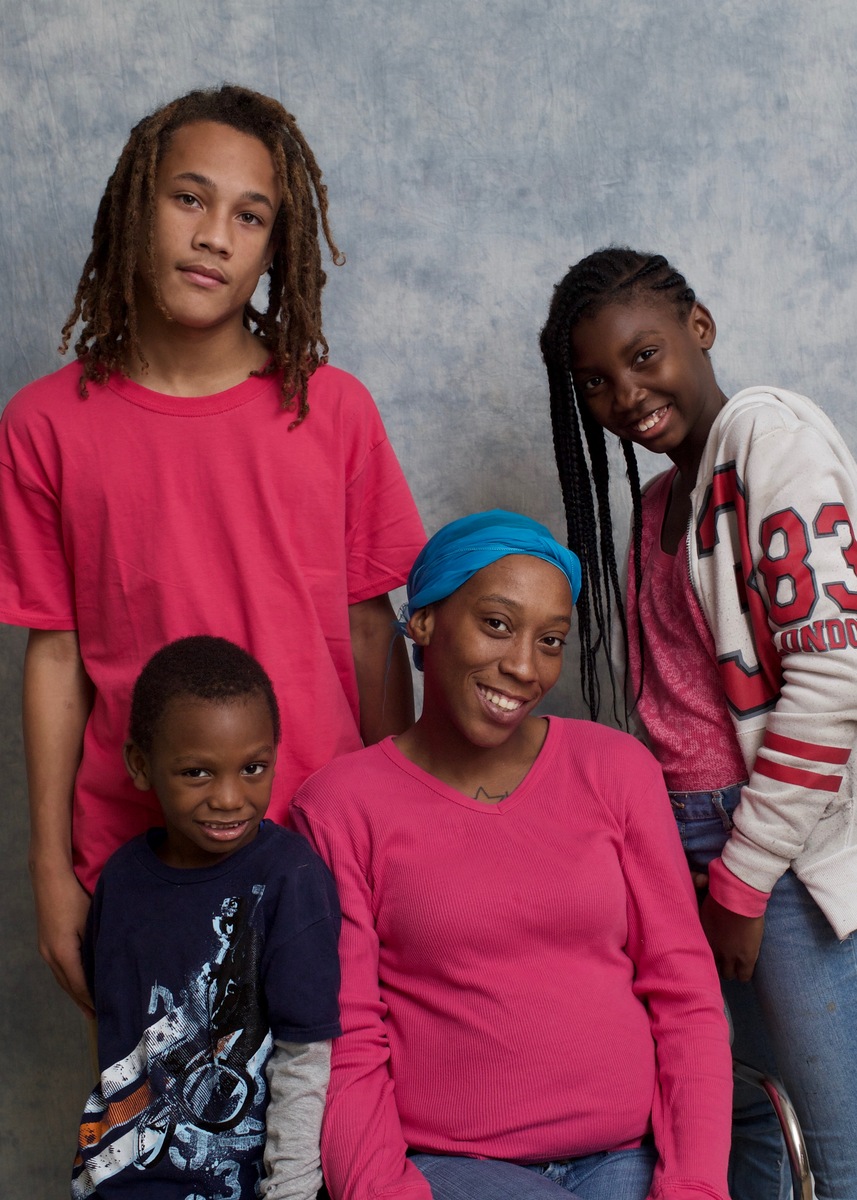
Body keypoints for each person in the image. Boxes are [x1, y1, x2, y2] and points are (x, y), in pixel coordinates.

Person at [0, 85, 424, 1018]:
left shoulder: (333, 411)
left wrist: (405, 831)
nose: (214, 236)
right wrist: (49, 867)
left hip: (322, 840)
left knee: (330, 1139)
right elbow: (58, 657)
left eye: (250, 215)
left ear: (276, 248)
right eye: (188, 199)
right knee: (161, 1147)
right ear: (135, 207)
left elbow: (370, 636)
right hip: (138, 853)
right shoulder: (42, 426)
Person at [289, 509, 733, 1200]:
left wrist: (694, 1185)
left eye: (550, 640)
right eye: (496, 624)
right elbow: (346, 1037)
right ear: (425, 621)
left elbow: (686, 997)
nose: (525, 668)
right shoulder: (339, 807)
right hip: (455, 1171)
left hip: (627, 1160)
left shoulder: (615, 770)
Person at [541, 246, 857, 1200]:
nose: (623, 396)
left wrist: (743, 882)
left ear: (699, 328)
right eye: (593, 382)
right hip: (679, 845)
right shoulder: (656, 504)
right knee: (744, 1115)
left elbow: (832, 679)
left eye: (643, 357)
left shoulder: (771, 439)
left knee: (838, 1141)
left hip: (772, 848)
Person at [72, 635, 341, 1199]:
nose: (229, 798)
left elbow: (305, 1062)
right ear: (141, 766)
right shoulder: (120, 882)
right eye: (197, 773)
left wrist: (290, 1192)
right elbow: (116, 1037)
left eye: (253, 768)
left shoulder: (291, 878)